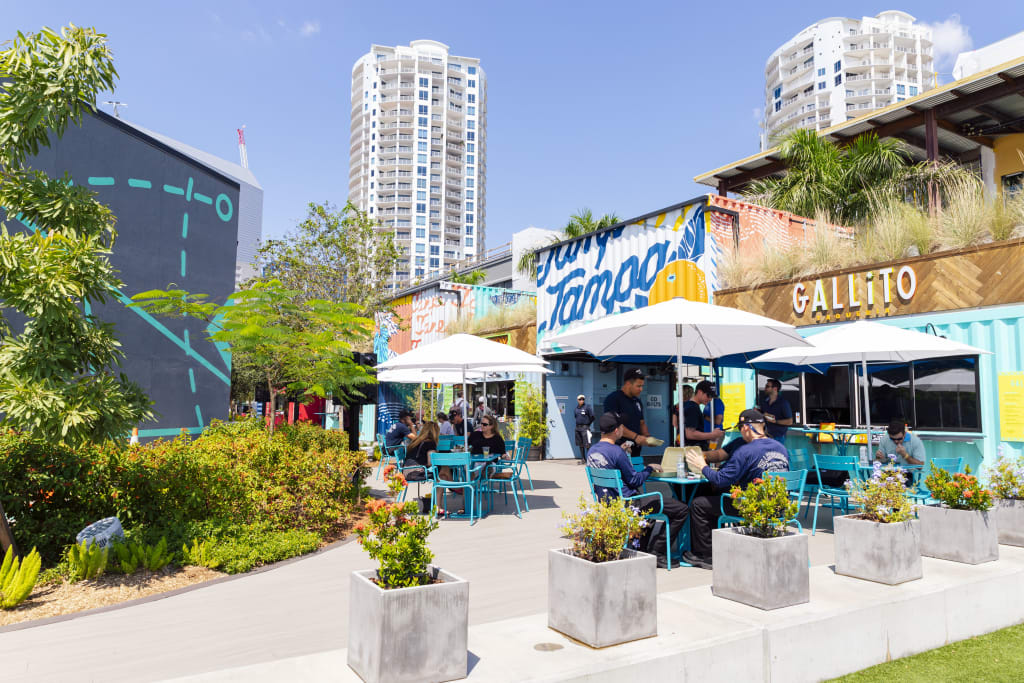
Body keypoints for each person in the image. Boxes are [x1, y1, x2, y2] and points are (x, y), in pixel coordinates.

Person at [681, 409, 790, 570]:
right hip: (778, 507)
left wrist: (702, 466)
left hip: (752, 507)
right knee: (713, 498)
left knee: (699, 504)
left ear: (746, 427)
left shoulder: (745, 451)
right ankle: (718, 545)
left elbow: (720, 480)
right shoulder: (781, 447)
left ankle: (707, 556)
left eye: (740, 427)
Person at [586, 412, 689, 569]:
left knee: (650, 508)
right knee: (681, 509)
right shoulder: (616, 452)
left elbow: (610, 462)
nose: (623, 429)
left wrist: (622, 452)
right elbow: (635, 480)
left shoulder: (592, 451)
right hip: (629, 504)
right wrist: (649, 468)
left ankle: (641, 549)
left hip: (607, 504)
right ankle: (657, 551)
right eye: (622, 427)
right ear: (616, 431)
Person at [603, 368, 651, 459]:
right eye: (638, 386)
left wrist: (647, 438)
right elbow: (615, 425)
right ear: (628, 384)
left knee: (636, 468)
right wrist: (636, 437)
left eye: (642, 386)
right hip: (619, 448)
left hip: (635, 450)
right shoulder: (613, 399)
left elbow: (641, 423)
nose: (641, 389)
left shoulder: (637, 401)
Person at [683, 380, 725, 451]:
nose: (710, 399)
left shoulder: (689, 405)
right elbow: (690, 434)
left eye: (712, 397)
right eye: (708, 395)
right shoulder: (692, 408)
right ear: (700, 392)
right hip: (693, 451)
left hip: (694, 448)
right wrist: (712, 435)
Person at [759, 378, 793, 443]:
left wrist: (775, 421)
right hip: (766, 435)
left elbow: (790, 421)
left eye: (767, 386)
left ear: (775, 389)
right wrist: (758, 412)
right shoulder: (764, 402)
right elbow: (764, 415)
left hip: (779, 436)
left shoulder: (783, 403)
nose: (765, 388)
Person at [573, 394, 595, 461]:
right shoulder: (576, 409)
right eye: (580, 399)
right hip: (578, 428)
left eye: (583, 399)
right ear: (577, 400)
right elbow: (576, 417)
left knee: (587, 444)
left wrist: (588, 424)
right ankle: (583, 459)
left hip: (585, 427)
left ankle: (589, 459)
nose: (581, 400)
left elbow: (592, 417)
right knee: (580, 444)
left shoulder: (587, 407)